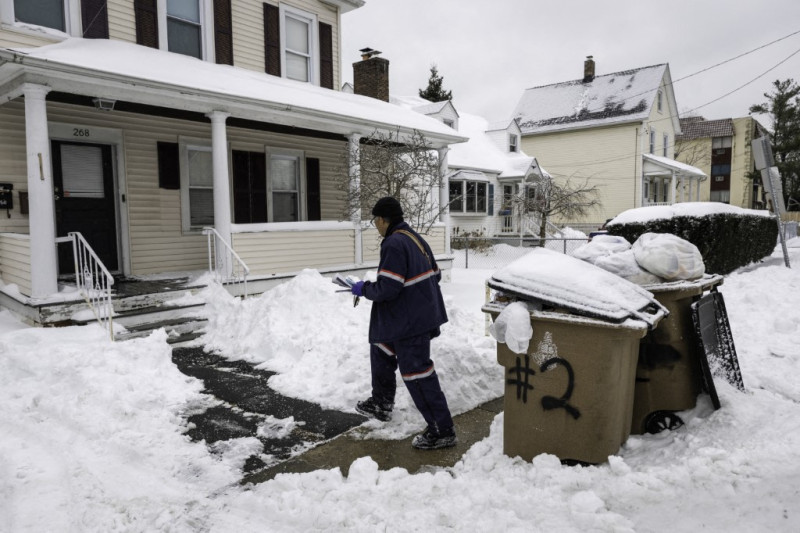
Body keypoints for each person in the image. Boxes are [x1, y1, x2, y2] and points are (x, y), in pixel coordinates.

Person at [350, 196, 457, 450]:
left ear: (382, 219)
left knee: (417, 372)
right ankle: (381, 403)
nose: (375, 225)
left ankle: (442, 430)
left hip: (411, 322)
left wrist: (363, 289)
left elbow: (388, 287)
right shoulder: (414, 238)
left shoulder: (394, 243)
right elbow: (436, 274)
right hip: (409, 316)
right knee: (381, 348)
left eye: (375, 220)